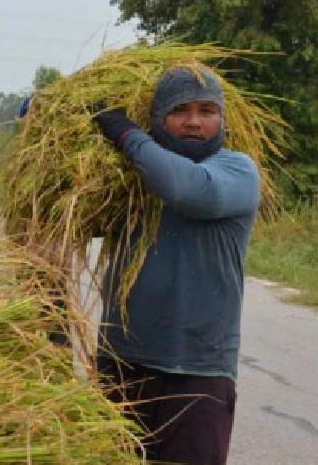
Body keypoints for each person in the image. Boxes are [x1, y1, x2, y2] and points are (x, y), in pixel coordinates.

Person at [91, 65, 261, 464]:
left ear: (222, 120)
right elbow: (71, 217)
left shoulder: (237, 171)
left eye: (207, 111)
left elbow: (187, 190)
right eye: (180, 110)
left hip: (197, 373)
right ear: (158, 119)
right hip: (121, 362)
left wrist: (125, 133)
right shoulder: (129, 180)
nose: (194, 122)